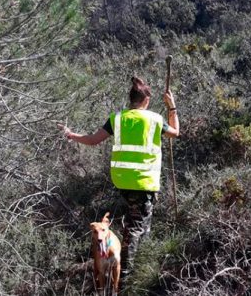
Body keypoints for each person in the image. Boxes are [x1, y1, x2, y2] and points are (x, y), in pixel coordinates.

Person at [57, 76, 180, 287]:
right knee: (135, 227)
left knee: (141, 223)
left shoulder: (117, 118)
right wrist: (172, 107)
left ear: (131, 100)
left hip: (122, 180)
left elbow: (93, 140)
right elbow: (175, 132)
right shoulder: (154, 119)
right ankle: (125, 278)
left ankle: (139, 262)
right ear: (146, 100)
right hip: (142, 181)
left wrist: (70, 134)